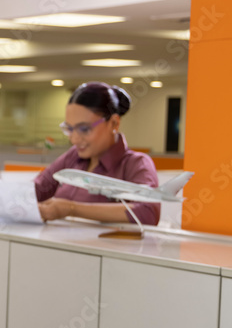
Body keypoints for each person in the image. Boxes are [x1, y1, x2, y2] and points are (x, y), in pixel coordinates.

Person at [35, 81, 159, 225]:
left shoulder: (135, 164)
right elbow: (36, 190)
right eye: (69, 128)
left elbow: (148, 212)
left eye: (84, 129)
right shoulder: (72, 158)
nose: (74, 139)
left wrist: (71, 209)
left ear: (114, 123)